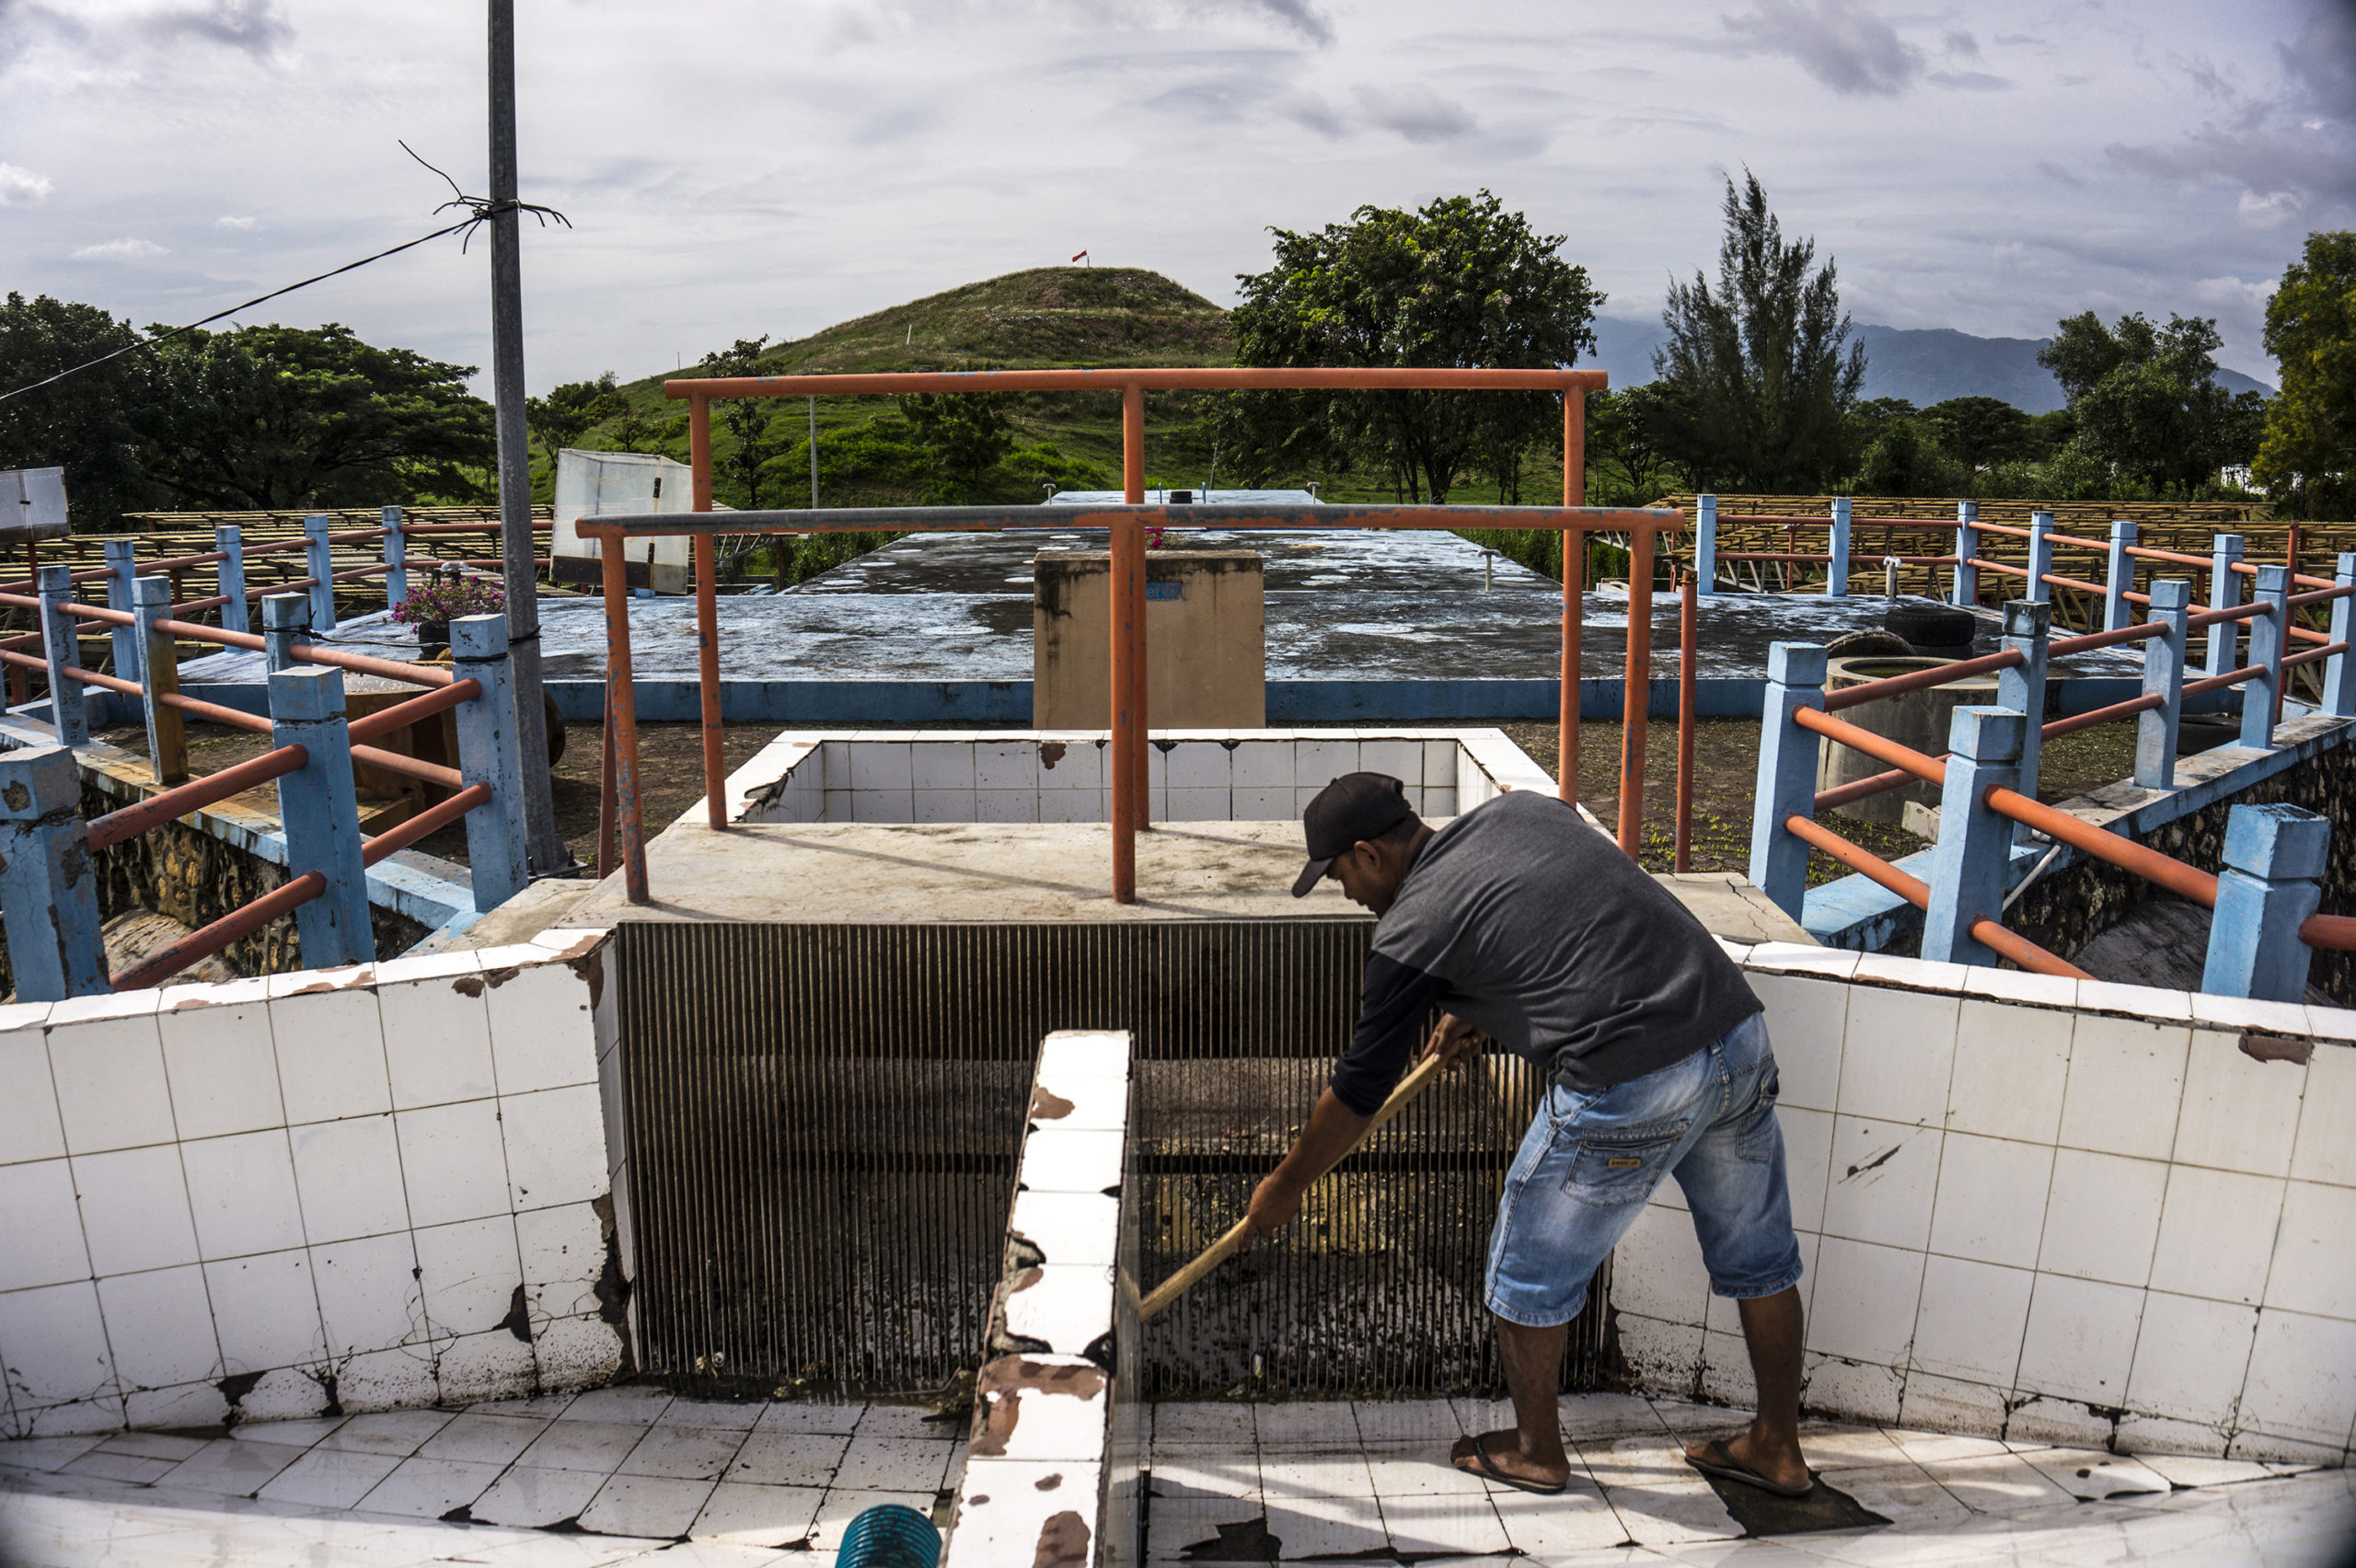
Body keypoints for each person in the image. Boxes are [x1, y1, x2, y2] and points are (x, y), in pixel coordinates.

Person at [1245, 772, 1813, 1498]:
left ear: (1369, 854)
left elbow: (1360, 1088)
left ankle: (1537, 1451)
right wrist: (1479, 1000)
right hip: (1735, 1037)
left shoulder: (1411, 927)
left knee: (1525, 1269)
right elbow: (1561, 906)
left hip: (1633, 1076)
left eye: (1340, 876)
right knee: (1760, 1260)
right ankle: (1777, 1449)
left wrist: (1286, 1184)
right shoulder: (1519, 812)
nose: (1348, 893)